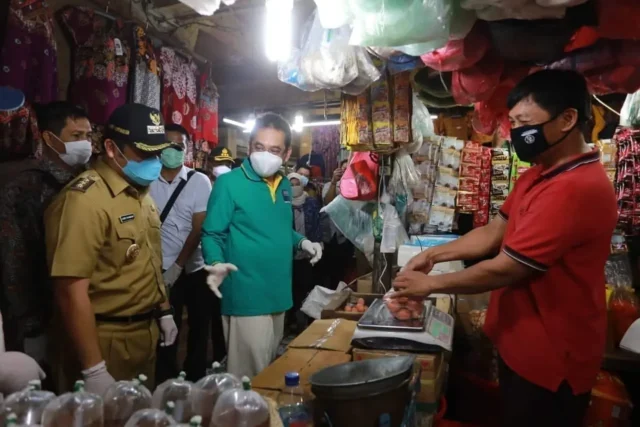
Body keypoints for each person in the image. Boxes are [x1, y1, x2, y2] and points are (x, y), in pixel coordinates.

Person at [395, 70, 617, 427]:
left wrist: (430, 284)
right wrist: (432, 254)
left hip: (553, 357)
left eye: (524, 123)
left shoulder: (576, 188)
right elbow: (494, 231)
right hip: (523, 342)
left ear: (567, 119)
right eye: (512, 123)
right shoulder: (539, 173)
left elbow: (509, 267)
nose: (516, 134)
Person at [44, 104, 178, 395]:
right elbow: (69, 289)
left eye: (158, 153)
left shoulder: (140, 192)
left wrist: (164, 310)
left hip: (144, 333)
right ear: (111, 147)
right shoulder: (84, 201)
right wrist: (94, 368)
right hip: (103, 340)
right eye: (144, 153)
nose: (154, 161)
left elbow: (149, 258)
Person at [201, 113, 323, 378]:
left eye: (274, 149)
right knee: (249, 379)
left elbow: (280, 228)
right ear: (250, 144)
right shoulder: (229, 183)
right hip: (246, 294)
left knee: (268, 369)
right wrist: (214, 262)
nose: (265, 155)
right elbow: (211, 233)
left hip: (279, 293)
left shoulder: (283, 186)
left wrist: (302, 241)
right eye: (259, 147)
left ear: (287, 153)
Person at [0, 102, 91, 365]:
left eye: (87, 135)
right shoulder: (24, 186)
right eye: (76, 136)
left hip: (82, 305)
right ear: (50, 138)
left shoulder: (90, 178)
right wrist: (30, 326)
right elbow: (14, 260)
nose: (85, 143)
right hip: (42, 307)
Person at [150, 124, 224, 383]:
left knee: (199, 326)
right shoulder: (147, 180)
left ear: (186, 149)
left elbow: (199, 227)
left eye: (179, 146)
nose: (174, 150)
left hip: (193, 267)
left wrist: (179, 264)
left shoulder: (198, 180)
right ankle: (166, 382)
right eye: (168, 145)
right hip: (159, 270)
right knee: (166, 327)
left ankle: (195, 378)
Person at [288, 172, 322, 331]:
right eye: (291, 184)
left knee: (307, 285)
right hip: (288, 255)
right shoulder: (282, 204)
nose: (294, 187)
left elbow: (317, 224)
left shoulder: (311, 203)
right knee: (292, 287)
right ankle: (292, 319)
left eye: (297, 184)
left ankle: (306, 320)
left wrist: (318, 243)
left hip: (308, 253)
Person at [319, 159, 354, 289]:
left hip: (346, 235)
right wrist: (334, 182)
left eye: (347, 169)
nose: (344, 171)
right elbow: (328, 202)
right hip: (329, 234)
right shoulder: (329, 185)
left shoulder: (354, 186)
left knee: (344, 270)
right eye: (342, 168)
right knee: (327, 270)